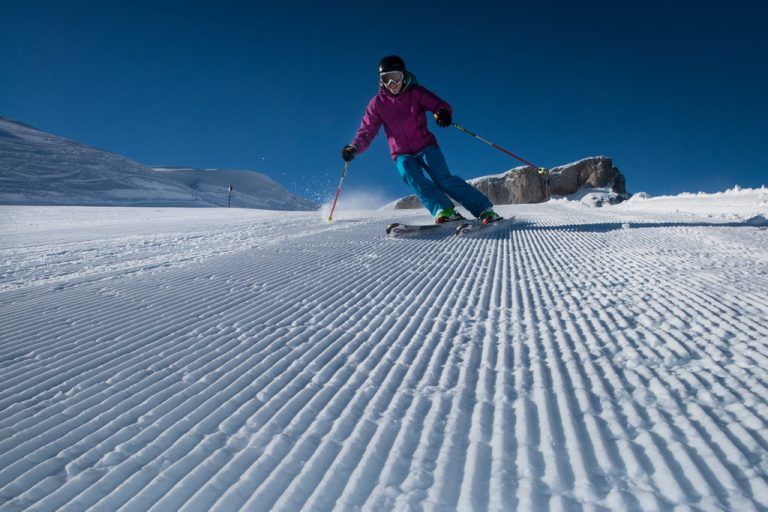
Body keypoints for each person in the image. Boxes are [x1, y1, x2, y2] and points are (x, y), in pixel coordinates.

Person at [342, 55, 501, 225]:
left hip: (426, 146)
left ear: (404, 76)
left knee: (444, 180)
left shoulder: (416, 93)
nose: (392, 83)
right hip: (401, 153)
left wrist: (442, 113)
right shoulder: (377, 104)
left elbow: (438, 104)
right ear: (381, 81)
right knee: (410, 175)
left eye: (396, 77)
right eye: (386, 79)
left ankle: (484, 209)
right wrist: (354, 147)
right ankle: (444, 210)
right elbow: (367, 130)